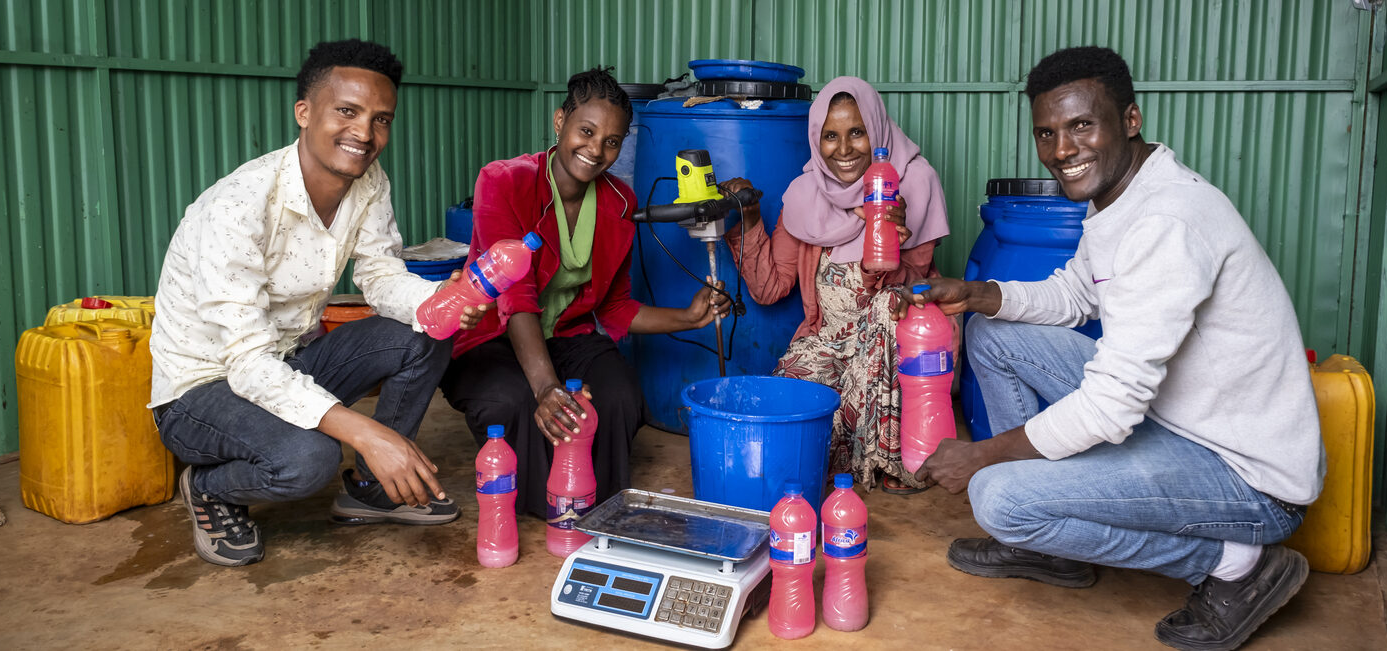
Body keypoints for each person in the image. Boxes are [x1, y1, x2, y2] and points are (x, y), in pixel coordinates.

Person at [905, 47, 1324, 650]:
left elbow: (1112, 405)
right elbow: (1075, 295)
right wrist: (977, 293)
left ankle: (1238, 564)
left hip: (1248, 479)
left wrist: (986, 456)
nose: (1061, 151)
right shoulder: (1121, 198)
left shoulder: (1165, 222)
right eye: (1046, 133)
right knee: (992, 333)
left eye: (1082, 125)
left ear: (1130, 119)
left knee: (997, 498)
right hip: (1179, 423)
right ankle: (1048, 545)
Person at [149, 39, 489, 567]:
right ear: (304, 113)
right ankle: (213, 488)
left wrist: (439, 301)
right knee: (309, 458)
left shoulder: (368, 182)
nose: (365, 134)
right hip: (201, 393)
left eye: (381, 119)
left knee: (424, 333)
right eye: (347, 112)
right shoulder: (238, 207)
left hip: (285, 362)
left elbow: (380, 279)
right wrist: (368, 432)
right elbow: (246, 363)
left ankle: (377, 491)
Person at [439, 67, 729, 520]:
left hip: (566, 338)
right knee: (512, 402)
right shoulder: (505, 180)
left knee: (619, 395)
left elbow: (615, 308)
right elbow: (515, 296)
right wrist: (546, 388)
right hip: (490, 338)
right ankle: (553, 508)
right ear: (560, 122)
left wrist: (689, 317)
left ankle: (601, 505)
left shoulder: (620, 202)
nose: (596, 150)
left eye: (612, 141)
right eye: (586, 131)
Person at [721, 76, 951, 494]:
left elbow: (914, 293)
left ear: (877, 132)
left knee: (887, 307)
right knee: (788, 414)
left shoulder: (913, 183)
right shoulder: (805, 195)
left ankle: (885, 456)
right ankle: (843, 450)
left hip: (893, 347)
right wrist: (750, 218)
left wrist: (888, 244)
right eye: (830, 136)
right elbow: (770, 288)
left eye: (857, 133)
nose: (843, 150)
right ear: (816, 139)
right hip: (829, 341)